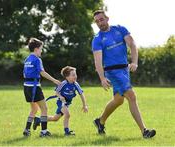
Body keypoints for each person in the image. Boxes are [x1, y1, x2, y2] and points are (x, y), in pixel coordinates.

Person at [91, 10, 156, 138]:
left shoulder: (120, 29)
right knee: (131, 96)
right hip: (112, 71)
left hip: (124, 70)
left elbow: (132, 44)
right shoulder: (97, 39)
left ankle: (100, 121)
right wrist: (102, 78)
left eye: (101, 19)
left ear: (107, 18)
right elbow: (97, 61)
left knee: (118, 100)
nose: (100, 23)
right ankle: (144, 131)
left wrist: (135, 62)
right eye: (97, 21)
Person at [33, 66, 88, 136]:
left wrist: (84, 105)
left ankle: (39, 120)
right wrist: (61, 97)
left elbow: (81, 94)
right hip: (61, 102)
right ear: (67, 77)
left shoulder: (76, 84)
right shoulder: (63, 84)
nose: (75, 76)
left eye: (75, 74)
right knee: (67, 114)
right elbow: (56, 92)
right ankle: (67, 131)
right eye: (73, 75)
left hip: (67, 103)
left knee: (55, 118)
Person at [23, 38, 60, 137]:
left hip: (26, 87)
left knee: (34, 109)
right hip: (34, 87)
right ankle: (44, 132)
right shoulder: (37, 59)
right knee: (44, 108)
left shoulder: (27, 59)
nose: (41, 51)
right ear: (36, 49)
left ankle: (26, 129)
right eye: (41, 48)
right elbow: (42, 72)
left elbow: (24, 74)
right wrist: (54, 80)